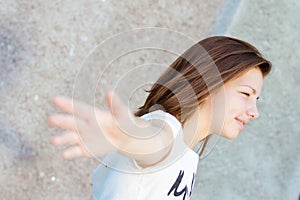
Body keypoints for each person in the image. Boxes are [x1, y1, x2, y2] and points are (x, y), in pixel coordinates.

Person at [48, 36, 272, 199]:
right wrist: (125, 137)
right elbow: (153, 143)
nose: (254, 111)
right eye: (245, 94)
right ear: (208, 83)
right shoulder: (165, 128)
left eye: (256, 99)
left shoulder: (187, 156)